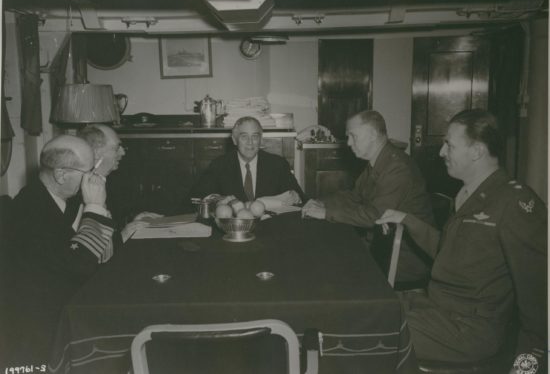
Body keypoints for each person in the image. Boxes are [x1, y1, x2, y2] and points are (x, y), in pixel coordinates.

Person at [376, 109, 547, 367]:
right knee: (366, 306)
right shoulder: (468, 193)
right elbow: (450, 253)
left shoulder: (515, 202)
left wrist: (527, 367)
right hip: (437, 309)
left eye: (449, 145)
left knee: (368, 330)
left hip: (468, 330)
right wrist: (407, 220)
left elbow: (539, 298)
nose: (442, 152)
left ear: (477, 151)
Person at [1, 135, 117, 367]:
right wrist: (94, 208)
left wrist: (95, 208)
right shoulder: (27, 213)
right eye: (90, 171)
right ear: (61, 175)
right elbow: (79, 266)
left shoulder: (65, 201)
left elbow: (104, 257)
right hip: (34, 337)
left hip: (61, 314)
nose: (96, 178)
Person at [302, 110, 434, 284]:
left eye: (353, 136)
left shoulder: (397, 168)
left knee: (326, 263)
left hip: (401, 255)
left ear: (372, 135)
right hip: (381, 243)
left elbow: (375, 215)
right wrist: (320, 202)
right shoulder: (379, 161)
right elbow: (355, 196)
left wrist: (326, 213)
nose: (348, 143)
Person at [190, 116, 305, 205]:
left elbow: (300, 197)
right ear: (235, 140)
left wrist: (295, 197)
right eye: (244, 136)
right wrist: (218, 199)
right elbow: (198, 196)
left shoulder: (278, 165)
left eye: (255, 136)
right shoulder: (219, 165)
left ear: (261, 140)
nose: (250, 142)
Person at [77, 124, 161, 241]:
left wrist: (134, 221)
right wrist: (124, 234)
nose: (123, 153)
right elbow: (90, 250)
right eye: (117, 148)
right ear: (96, 153)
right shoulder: (78, 192)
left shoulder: (110, 183)